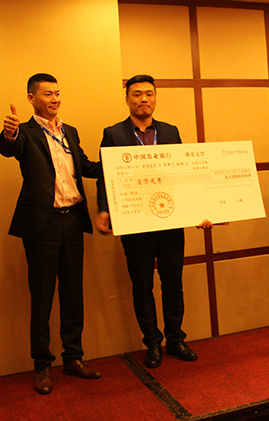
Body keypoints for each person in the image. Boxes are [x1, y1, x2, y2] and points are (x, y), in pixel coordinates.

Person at [95, 74, 211, 369]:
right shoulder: (113, 133)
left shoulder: (170, 131)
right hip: (135, 222)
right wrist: (105, 209)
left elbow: (184, 175)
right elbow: (105, 175)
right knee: (142, 285)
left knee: (173, 282)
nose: (144, 99)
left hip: (170, 221)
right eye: (137, 94)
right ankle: (152, 343)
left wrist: (198, 210)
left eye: (149, 93)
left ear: (155, 98)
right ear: (127, 99)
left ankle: (176, 339)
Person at [0, 73, 103, 394]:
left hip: (72, 221)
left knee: (73, 294)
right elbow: (9, 148)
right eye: (47, 94)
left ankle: (73, 357)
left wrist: (122, 164)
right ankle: (42, 365)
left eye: (57, 93)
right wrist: (9, 135)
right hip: (42, 225)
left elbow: (85, 166)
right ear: (32, 98)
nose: (55, 99)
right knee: (42, 296)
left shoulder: (70, 131)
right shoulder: (25, 132)